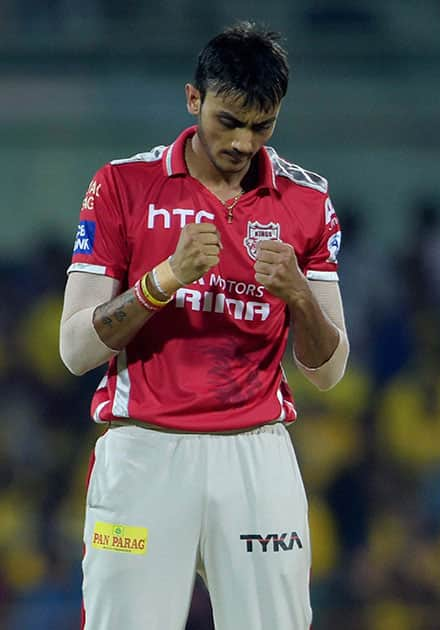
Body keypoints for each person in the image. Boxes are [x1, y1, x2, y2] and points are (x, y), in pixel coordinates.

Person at [58, 22, 349, 630]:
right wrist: (163, 279)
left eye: (262, 125)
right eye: (229, 121)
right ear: (194, 100)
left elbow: (328, 370)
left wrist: (298, 294)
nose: (244, 143)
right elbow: (75, 348)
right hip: (143, 452)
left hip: (256, 456)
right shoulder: (122, 186)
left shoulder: (307, 202)